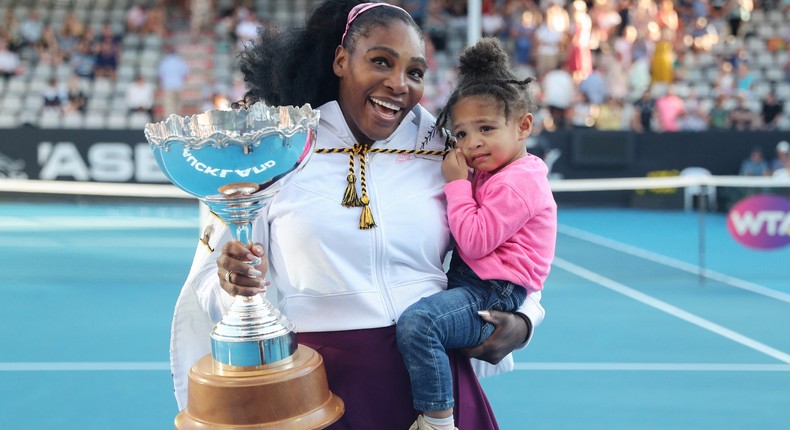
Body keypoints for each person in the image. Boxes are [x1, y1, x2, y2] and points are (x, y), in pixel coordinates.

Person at [169, 2, 545, 429]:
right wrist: (232, 282)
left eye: (415, 72)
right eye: (380, 61)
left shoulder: (447, 150)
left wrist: (526, 318)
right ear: (341, 60)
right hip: (318, 389)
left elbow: (517, 231)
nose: (398, 84)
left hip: (434, 389)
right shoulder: (277, 149)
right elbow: (211, 280)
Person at [396, 38, 556, 430]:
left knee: (421, 324)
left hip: (492, 291)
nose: (472, 143)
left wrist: (457, 184)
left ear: (523, 126)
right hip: (479, 283)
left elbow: (474, 240)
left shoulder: (516, 182)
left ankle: (438, 421)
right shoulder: (498, 170)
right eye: (462, 134)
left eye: (486, 128)